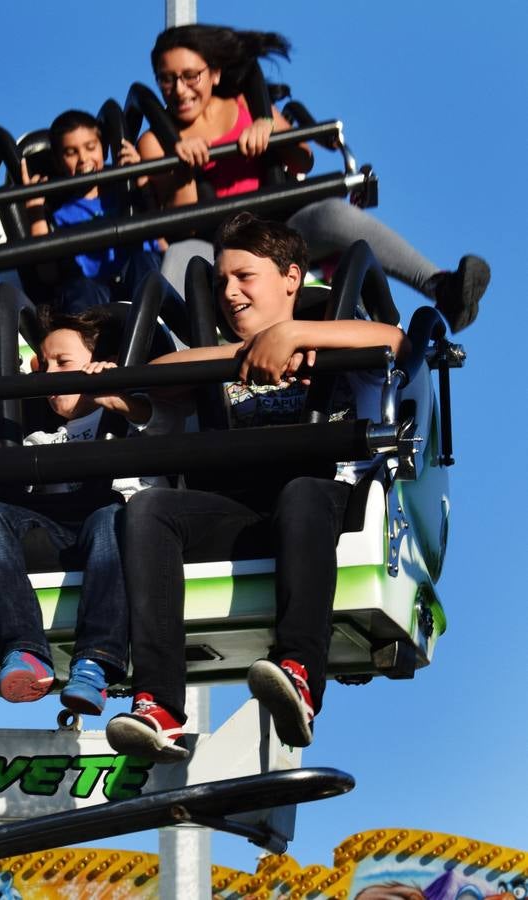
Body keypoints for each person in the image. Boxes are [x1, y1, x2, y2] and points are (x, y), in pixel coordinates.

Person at [105, 212, 408, 761]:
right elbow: (160, 373)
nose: (229, 291)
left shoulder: (330, 336)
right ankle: (161, 704)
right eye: (221, 281)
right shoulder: (220, 354)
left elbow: (396, 341)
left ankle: (299, 675)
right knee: (149, 509)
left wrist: (295, 334)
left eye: (244, 276)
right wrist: (250, 354)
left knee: (301, 492)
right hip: (240, 513)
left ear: (291, 278)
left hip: (316, 509)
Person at [140, 23, 489, 332]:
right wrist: (183, 165)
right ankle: (174, 372)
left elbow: (303, 157)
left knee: (332, 213)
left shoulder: (246, 107)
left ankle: (440, 287)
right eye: (167, 79)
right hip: (219, 247)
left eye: (190, 76)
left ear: (214, 73)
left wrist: (268, 132)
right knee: (181, 256)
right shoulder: (155, 141)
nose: (180, 89)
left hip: (282, 230)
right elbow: (181, 223)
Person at [0, 306, 184, 715]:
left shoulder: (126, 411)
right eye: (43, 365)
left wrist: (117, 392)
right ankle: (24, 650)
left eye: (63, 363)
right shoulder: (41, 435)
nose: (50, 374)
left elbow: (166, 422)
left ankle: (95, 660)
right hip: (55, 521)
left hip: (112, 518)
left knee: (111, 516)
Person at [22, 109, 163, 313]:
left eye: (90, 147)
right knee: (77, 288)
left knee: (144, 261)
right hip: (94, 295)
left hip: (137, 284)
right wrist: (36, 215)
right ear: (58, 161)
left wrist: (140, 177)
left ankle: (155, 323)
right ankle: (89, 339)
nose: (83, 158)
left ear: (103, 149)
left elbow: (162, 244)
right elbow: (48, 275)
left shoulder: (126, 190)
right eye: (71, 153)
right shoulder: (58, 215)